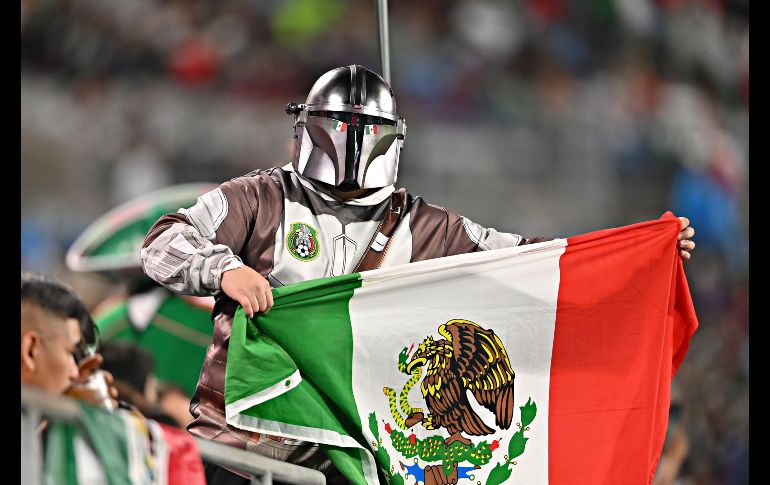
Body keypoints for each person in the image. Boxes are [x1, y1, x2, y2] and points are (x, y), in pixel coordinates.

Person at [140, 65, 696, 483]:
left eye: (365, 128)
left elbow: (533, 263)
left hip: (346, 462)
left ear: (391, 137)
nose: (351, 140)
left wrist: (637, 258)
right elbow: (162, 240)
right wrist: (223, 269)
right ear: (306, 128)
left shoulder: (430, 228)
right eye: (338, 125)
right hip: (238, 451)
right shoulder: (258, 197)